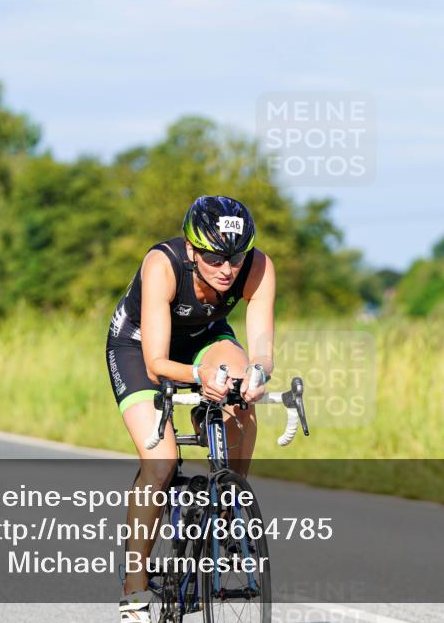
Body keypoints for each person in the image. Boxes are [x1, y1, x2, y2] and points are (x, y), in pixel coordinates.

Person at [106, 195, 276, 622]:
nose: (227, 269)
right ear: (193, 248)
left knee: (241, 393)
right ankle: (135, 588)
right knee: (161, 463)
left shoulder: (258, 267)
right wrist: (200, 378)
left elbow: (262, 350)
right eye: (216, 257)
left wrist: (256, 376)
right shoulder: (163, 264)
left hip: (205, 335)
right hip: (141, 345)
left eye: (236, 257)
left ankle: (229, 503)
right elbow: (157, 363)